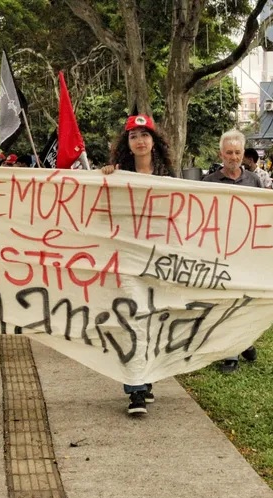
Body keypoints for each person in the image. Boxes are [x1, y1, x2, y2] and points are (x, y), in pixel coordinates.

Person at [101, 114, 171, 415]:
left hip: (159, 260)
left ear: (153, 141)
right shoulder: (117, 176)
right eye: (133, 136)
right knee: (133, 319)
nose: (139, 140)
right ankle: (135, 391)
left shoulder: (169, 178)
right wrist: (104, 177)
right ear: (127, 144)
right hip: (128, 259)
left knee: (152, 320)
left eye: (144, 134)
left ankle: (147, 377)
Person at [202, 129, 263, 374]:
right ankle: (231, 354)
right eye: (229, 152)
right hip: (219, 248)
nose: (234, 157)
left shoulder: (254, 181)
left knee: (243, 299)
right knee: (224, 299)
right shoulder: (209, 182)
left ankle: (243, 341)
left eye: (238, 152)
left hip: (246, 249)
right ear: (221, 154)